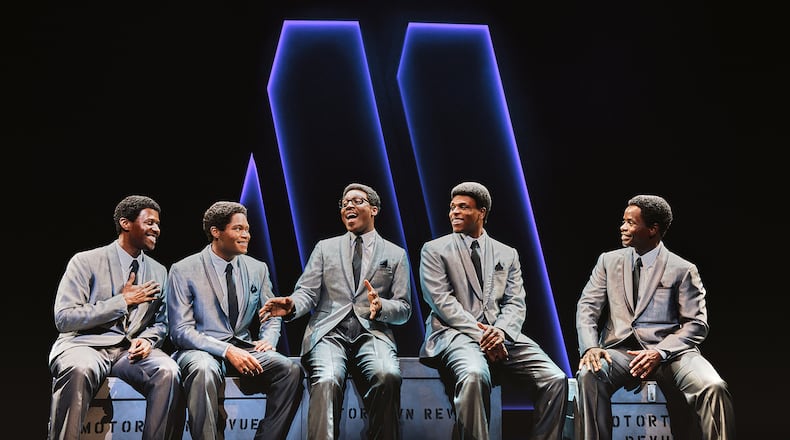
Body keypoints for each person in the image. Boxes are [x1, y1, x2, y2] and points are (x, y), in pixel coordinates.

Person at [575, 194, 735, 440]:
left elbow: (696, 324)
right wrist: (590, 348)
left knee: (713, 387)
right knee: (589, 374)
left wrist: (660, 352)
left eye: (630, 222)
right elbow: (587, 307)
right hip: (621, 353)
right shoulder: (608, 261)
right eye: (624, 221)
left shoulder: (683, 269)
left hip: (672, 355)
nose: (623, 227)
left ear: (652, 229)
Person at [260, 183, 412, 440]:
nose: (349, 206)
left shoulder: (396, 254)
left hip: (372, 333)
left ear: (374, 209)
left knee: (387, 375)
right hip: (329, 333)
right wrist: (292, 306)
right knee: (327, 379)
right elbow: (307, 292)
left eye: (357, 201)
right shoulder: (324, 248)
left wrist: (382, 306)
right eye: (344, 203)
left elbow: (405, 308)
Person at [419, 181, 569, 440]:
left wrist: (499, 332)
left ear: (482, 212)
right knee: (475, 375)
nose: (454, 212)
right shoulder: (434, 250)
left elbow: (515, 302)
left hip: (503, 335)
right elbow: (442, 302)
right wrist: (484, 337)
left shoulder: (507, 253)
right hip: (456, 334)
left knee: (555, 379)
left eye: (463, 207)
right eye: (452, 207)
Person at [48, 195, 185, 440]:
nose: (157, 229)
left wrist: (149, 340)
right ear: (126, 223)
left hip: (128, 351)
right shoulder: (85, 261)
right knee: (79, 368)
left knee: (168, 371)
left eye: (158, 224)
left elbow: (161, 322)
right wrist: (122, 301)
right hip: (85, 344)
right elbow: (64, 318)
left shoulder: (159, 271)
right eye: (150, 222)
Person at [167, 201, 304, 440]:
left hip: (244, 346)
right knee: (203, 370)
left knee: (290, 370)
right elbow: (180, 330)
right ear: (216, 232)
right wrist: (227, 350)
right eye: (238, 229)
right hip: (200, 349)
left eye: (247, 229)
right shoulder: (183, 269)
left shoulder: (257, 268)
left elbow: (271, 314)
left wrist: (268, 340)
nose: (246, 235)